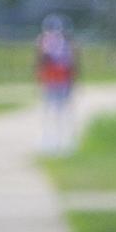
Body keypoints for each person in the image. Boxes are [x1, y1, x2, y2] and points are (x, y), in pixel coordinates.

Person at [35, 13, 80, 154]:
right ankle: (51, 140)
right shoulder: (46, 43)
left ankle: (65, 141)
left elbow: (72, 65)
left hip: (60, 81)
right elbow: (41, 62)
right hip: (52, 81)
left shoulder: (66, 44)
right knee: (51, 112)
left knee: (61, 113)